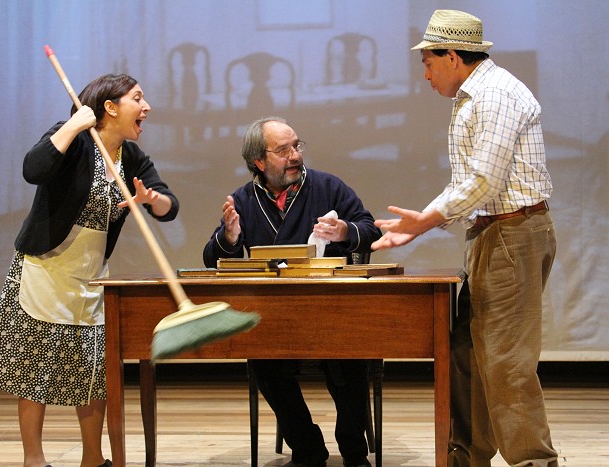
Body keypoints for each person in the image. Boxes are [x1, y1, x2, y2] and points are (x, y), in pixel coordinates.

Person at [371, 10, 557, 467]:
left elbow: (484, 182)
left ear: (452, 56)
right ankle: (467, 456)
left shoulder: (495, 96)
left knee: (506, 361)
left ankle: (534, 461)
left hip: (512, 233)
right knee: (467, 353)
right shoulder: (474, 95)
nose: (425, 74)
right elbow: (465, 183)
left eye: (428, 62)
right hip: (492, 232)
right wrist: (422, 220)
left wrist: (425, 222)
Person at [0, 74, 179, 467]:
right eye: (137, 98)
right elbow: (33, 169)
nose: (146, 107)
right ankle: (34, 459)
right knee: (33, 367)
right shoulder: (76, 139)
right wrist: (71, 126)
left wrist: (152, 199)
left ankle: (92, 459)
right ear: (110, 107)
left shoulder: (132, 157)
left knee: (93, 372)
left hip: (92, 275)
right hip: (45, 267)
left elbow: (169, 206)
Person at [203, 117, 381, 467]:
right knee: (262, 360)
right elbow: (212, 259)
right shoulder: (244, 200)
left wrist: (345, 231)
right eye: (283, 150)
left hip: (331, 309)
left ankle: (352, 446)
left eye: (297, 146)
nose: (295, 155)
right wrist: (230, 237)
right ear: (259, 161)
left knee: (350, 353)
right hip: (276, 316)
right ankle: (308, 447)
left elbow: (370, 230)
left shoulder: (328, 187)